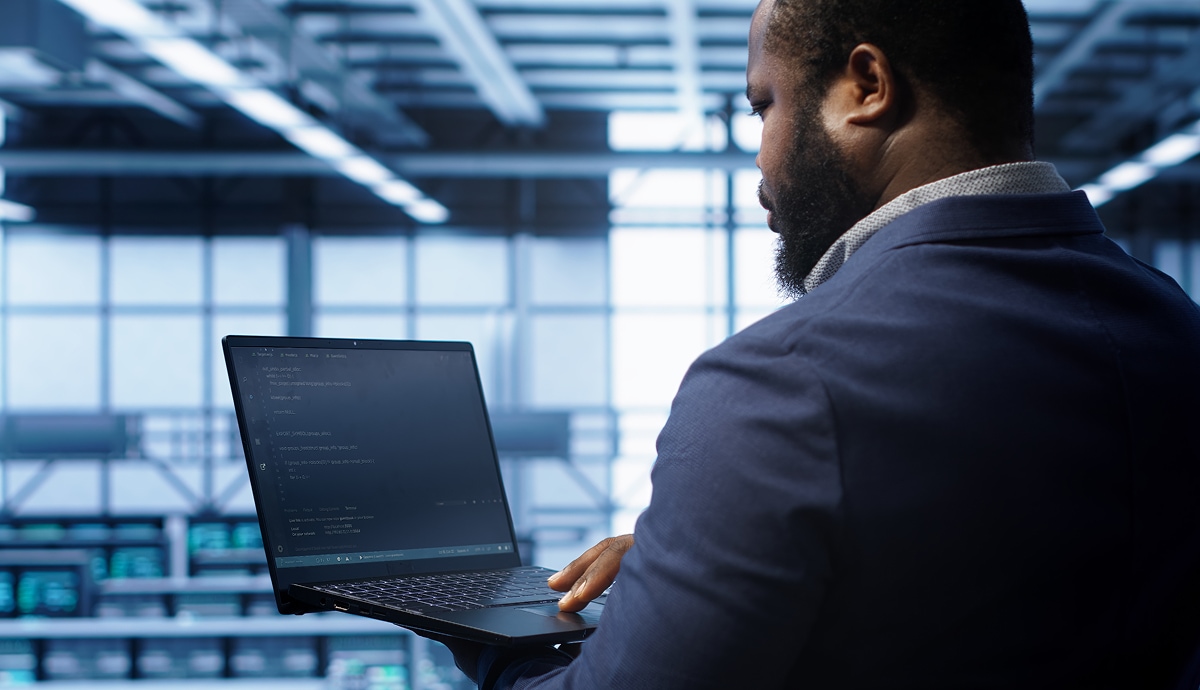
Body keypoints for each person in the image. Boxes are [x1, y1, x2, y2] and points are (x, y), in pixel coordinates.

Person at [431, 0, 1200, 687]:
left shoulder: (778, 383)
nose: (759, 162)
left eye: (764, 106)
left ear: (866, 86)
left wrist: (491, 644)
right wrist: (707, 567)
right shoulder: (1174, 326)